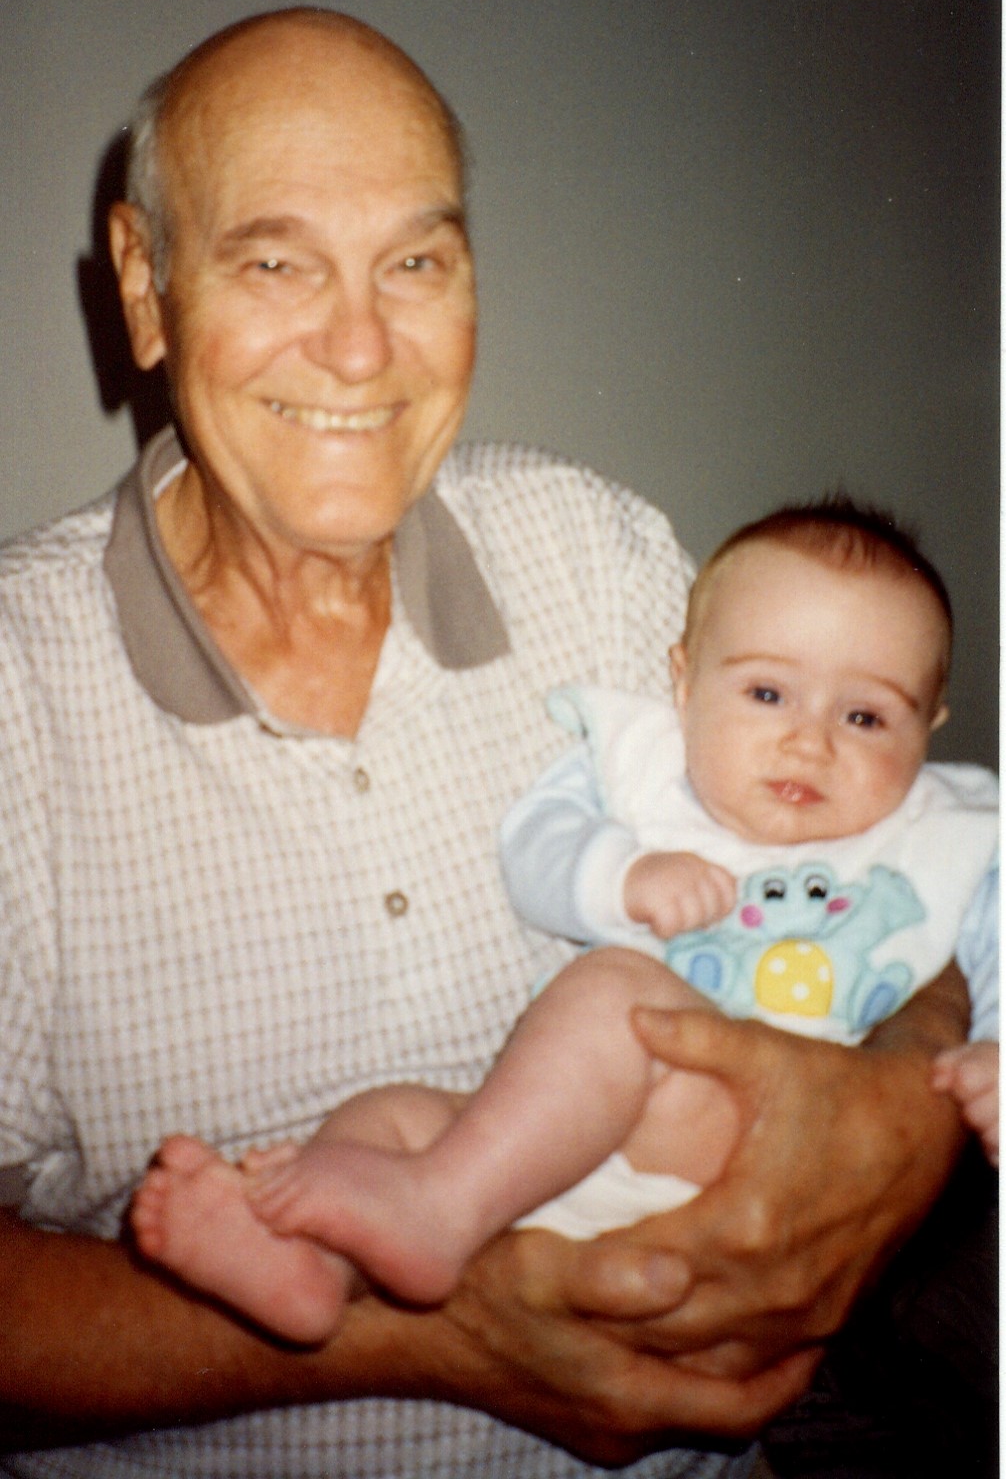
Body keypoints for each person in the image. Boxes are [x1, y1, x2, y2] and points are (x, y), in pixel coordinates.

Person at [0, 6, 977, 1479]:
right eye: (274, 262)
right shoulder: (16, 691)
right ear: (146, 287)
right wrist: (435, 1338)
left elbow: (883, 848)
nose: (358, 347)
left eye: (416, 264)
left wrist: (906, 1099)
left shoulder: (603, 554)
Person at [127, 502, 998, 1346]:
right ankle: (314, 1272)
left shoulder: (947, 829)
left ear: (928, 726)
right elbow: (534, 844)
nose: (810, 743)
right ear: (685, 680)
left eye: (865, 717)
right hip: (567, 1154)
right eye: (768, 693)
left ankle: (436, 1212)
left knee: (617, 993)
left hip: (756, 1140)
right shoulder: (643, 767)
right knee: (389, 1120)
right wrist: (620, 875)